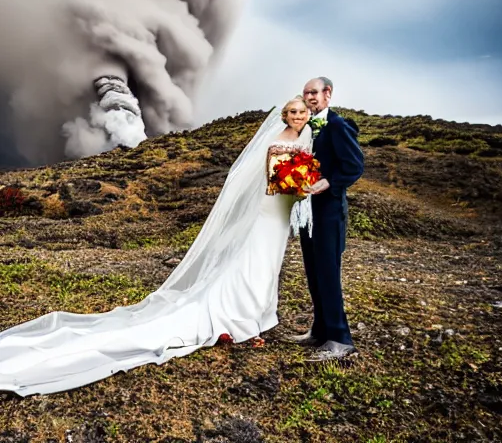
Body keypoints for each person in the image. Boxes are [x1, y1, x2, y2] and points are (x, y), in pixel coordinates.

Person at [0, 98, 312, 397]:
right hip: (269, 211)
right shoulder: (279, 139)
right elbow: (277, 180)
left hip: (277, 214)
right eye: (292, 111)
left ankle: (255, 313)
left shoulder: (304, 135)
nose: (298, 116)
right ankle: (240, 315)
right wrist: (300, 189)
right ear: (284, 114)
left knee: (267, 261)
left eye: (302, 112)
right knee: (254, 259)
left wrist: (303, 188)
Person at [289, 77, 364, 360]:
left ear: (327, 94)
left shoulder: (337, 125)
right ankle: (320, 330)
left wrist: (329, 183)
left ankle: (341, 340)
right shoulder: (305, 126)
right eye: (306, 93)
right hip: (309, 212)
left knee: (329, 275)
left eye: (314, 92)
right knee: (314, 272)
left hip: (329, 211)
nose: (309, 97)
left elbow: (354, 166)